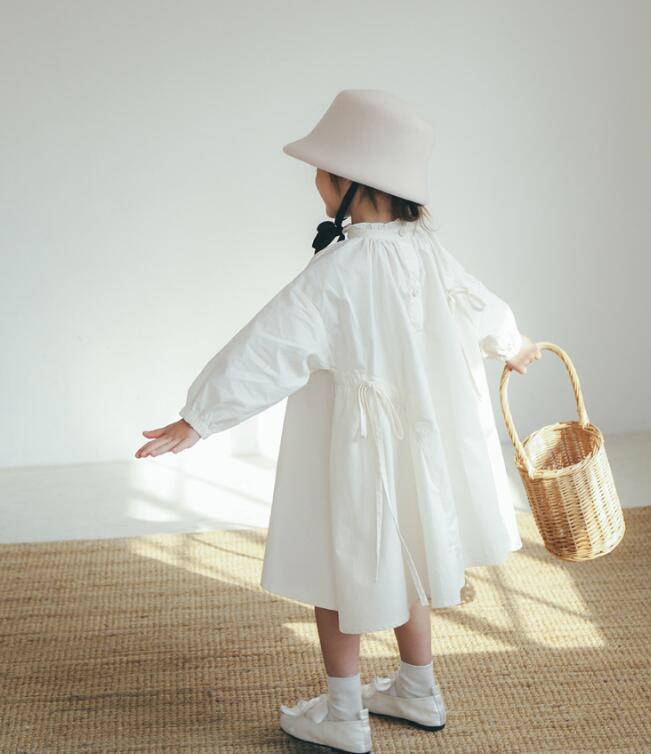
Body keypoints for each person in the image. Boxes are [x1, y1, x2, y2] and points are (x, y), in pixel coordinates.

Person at [134, 89, 541, 754]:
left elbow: (271, 344)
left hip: (355, 448)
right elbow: (479, 306)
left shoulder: (342, 266)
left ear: (350, 182)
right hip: (417, 449)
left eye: (321, 172)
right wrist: (514, 344)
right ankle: (417, 689)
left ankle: (344, 713)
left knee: (339, 564)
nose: (316, 184)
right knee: (409, 552)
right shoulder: (425, 250)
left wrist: (200, 416)